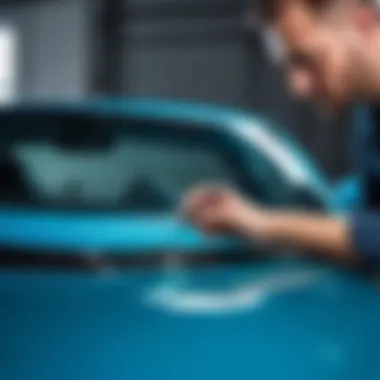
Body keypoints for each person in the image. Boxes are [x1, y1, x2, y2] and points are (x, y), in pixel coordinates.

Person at [182, 0, 380, 263]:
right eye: (289, 66)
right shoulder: (366, 116)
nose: (297, 87)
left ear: (363, 22)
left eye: (307, 60)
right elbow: (360, 209)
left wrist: (260, 222)